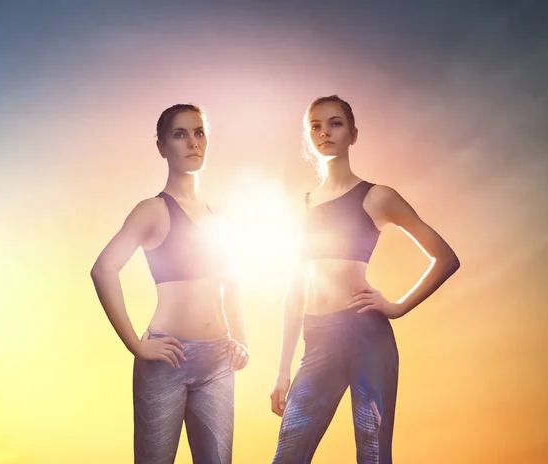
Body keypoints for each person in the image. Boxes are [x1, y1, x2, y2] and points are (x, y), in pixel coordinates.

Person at [270, 95, 460, 463]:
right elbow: (294, 292)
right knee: (288, 454)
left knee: (372, 454)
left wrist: (398, 307)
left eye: (335, 123)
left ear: (353, 134)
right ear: (308, 136)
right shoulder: (301, 206)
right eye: (315, 126)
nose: (325, 132)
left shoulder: (377, 197)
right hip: (318, 339)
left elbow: (445, 258)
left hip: (367, 338)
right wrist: (281, 372)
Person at [90, 104, 249, 464]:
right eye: (180, 134)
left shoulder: (219, 216)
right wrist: (136, 346)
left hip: (219, 363)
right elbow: (103, 270)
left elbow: (233, 281)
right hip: (167, 360)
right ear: (161, 146)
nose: (193, 142)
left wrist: (242, 339)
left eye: (199, 132)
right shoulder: (152, 210)